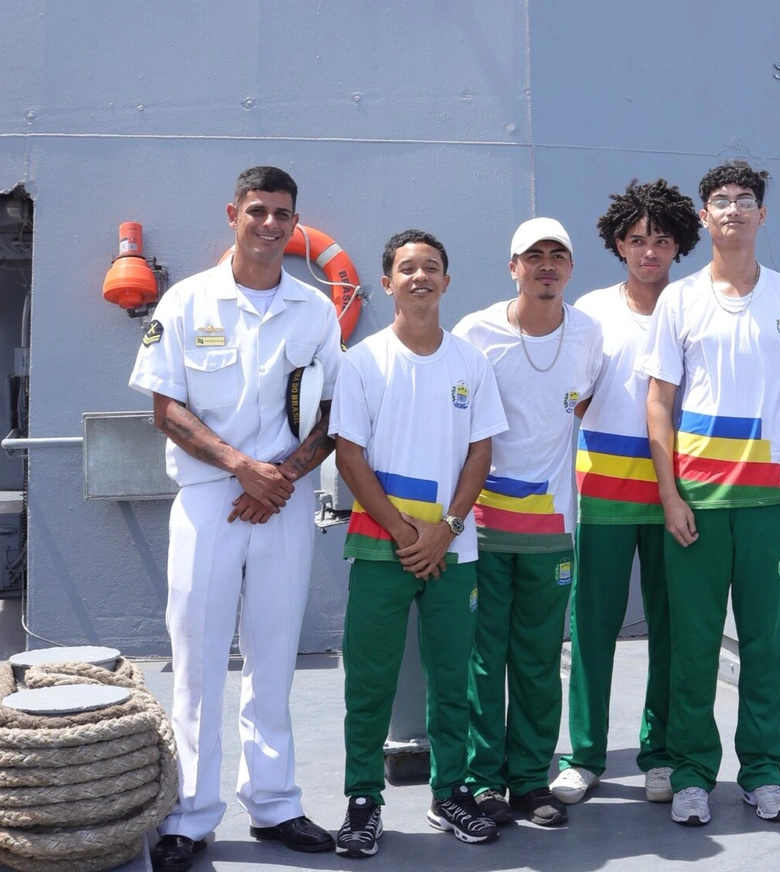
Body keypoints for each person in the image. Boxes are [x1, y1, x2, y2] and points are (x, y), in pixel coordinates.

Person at [129, 166, 341, 872]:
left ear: (294, 222)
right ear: (233, 214)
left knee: (275, 657)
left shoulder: (314, 311)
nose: (269, 225)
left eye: (282, 214)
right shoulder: (187, 301)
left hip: (283, 502)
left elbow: (332, 414)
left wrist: (277, 479)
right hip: (207, 500)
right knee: (197, 663)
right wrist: (241, 467)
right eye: (258, 211)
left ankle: (275, 804)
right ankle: (189, 814)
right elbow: (166, 409)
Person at [639, 160, 780, 827]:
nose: (734, 209)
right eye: (721, 200)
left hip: (771, 503)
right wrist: (670, 495)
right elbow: (658, 402)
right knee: (692, 647)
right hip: (698, 503)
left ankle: (764, 771)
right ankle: (692, 774)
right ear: (704, 216)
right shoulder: (680, 300)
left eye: (746, 200)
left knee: (766, 647)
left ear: (762, 215)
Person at [330, 229, 509, 856]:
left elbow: (481, 451)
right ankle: (362, 801)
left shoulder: (470, 363)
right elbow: (350, 456)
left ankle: (450, 792)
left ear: (446, 280)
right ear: (387, 283)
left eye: (431, 267)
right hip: (382, 548)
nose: (420, 277)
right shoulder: (362, 361)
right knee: (369, 682)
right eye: (407, 268)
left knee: (452, 678)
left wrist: (447, 528)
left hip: (453, 550)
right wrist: (408, 533)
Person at [550, 179, 701, 807]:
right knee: (592, 627)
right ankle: (584, 755)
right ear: (618, 244)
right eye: (637, 239)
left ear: (679, 245)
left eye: (661, 240)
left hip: (681, 493)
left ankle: (659, 755)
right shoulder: (591, 312)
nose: (649, 251)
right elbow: (573, 398)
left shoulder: (695, 305)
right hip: (603, 491)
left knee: (672, 628)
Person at [453, 217, 603, 827]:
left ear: (570, 267)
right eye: (533, 255)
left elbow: (584, 405)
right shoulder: (476, 332)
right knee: (484, 657)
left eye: (557, 255)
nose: (546, 264)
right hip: (482, 524)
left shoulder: (588, 333)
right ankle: (483, 779)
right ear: (513, 267)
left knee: (540, 659)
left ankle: (530, 779)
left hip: (550, 527)